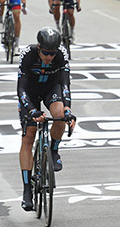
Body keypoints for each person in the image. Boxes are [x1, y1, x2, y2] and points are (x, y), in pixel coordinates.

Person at [17, 27, 76, 211]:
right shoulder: (27, 55)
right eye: (45, 53)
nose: (49, 57)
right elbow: (21, 89)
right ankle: (27, 190)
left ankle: (53, 150)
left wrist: (67, 109)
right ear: (38, 47)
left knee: (59, 115)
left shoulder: (61, 55)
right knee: (29, 136)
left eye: (52, 54)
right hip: (31, 93)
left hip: (51, 89)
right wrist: (32, 111)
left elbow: (65, 83)